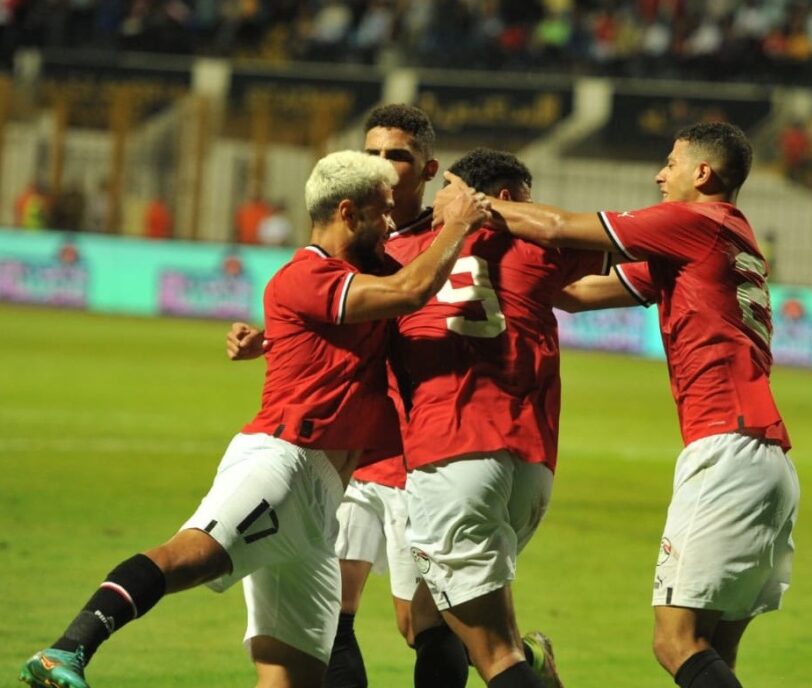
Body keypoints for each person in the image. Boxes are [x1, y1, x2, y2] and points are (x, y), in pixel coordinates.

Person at [19, 150, 491, 688]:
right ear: (348, 212)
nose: (391, 222)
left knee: (292, 675)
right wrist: (459, 223)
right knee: (190, 556)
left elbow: (398, 290)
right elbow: (411, 289)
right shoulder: (306, 273)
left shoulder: (369, 271)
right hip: (281, 465)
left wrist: (270, 340)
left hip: (322, 504)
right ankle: (65, 650)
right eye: (382, 211)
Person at [440, 122, 800, 688]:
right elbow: (574, 295)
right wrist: (503, 271)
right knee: (713, 652)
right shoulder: (719, 239)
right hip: (768, 461)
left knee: (675, 642)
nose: (660, 175)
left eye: (671, 163)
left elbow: (559, 227)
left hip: (727, 447)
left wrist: (473, 207)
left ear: (703, 173)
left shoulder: (695, 222)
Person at [228, 108, 565, 688]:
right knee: (331, 609)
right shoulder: (356, 238)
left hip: (425, 453)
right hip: (356, 454)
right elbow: (329, 308)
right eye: (373, 153)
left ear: (429, 170)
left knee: (426, 626)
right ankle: (518, 660)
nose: (382, 165)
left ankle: (523, 661)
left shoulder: (449, 236)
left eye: (397, 156)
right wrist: (272, 339)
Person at [394, 147, 608, 688]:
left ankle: (525, 667)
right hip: (531, 467)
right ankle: (533, 664)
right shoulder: (541, 248)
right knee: (428, 615)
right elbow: (618, 250)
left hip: (453, 455)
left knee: (494, 653)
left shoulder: (405, 256)